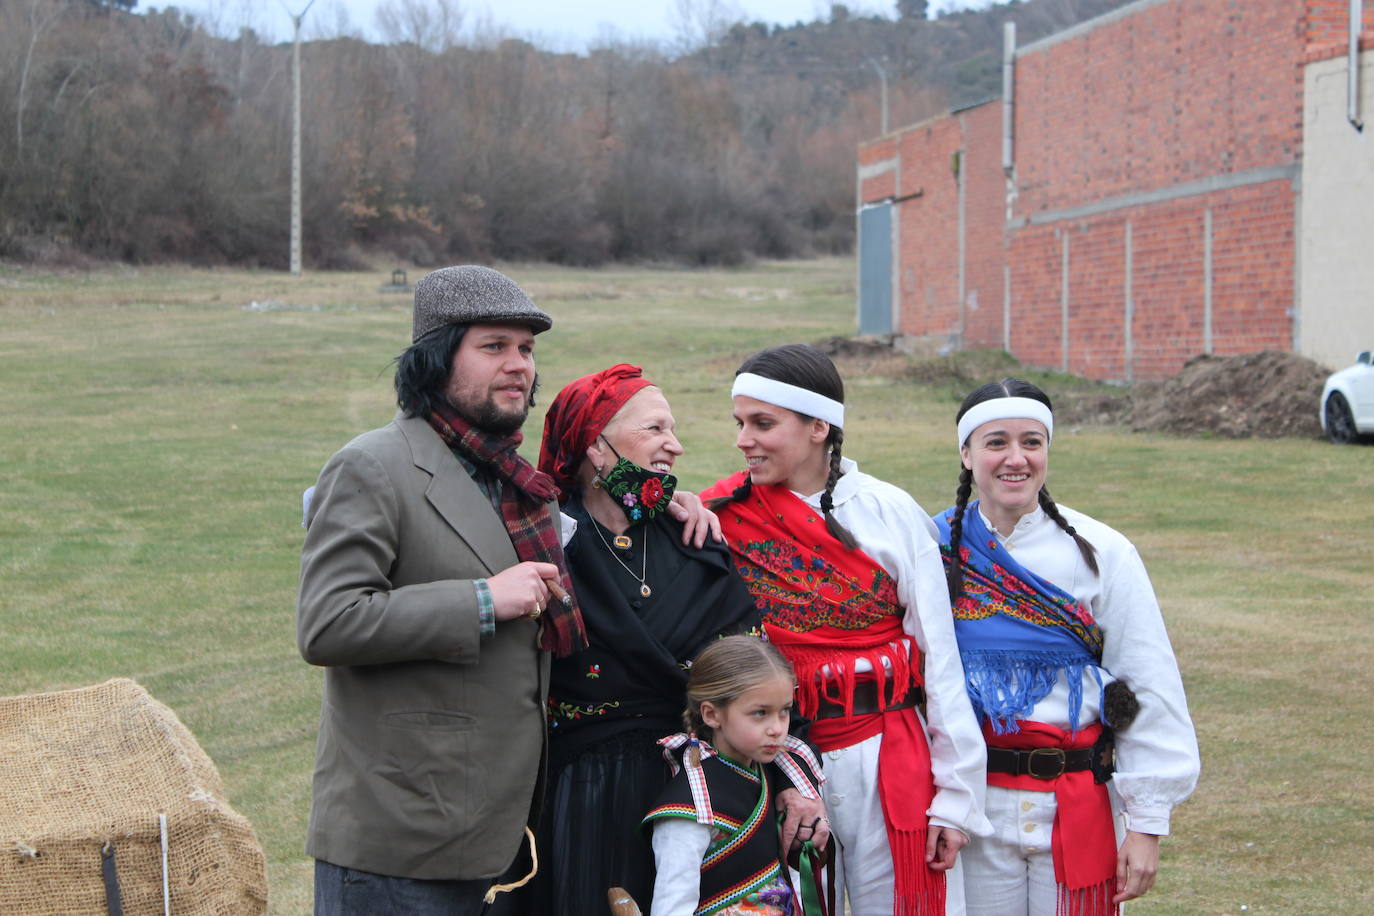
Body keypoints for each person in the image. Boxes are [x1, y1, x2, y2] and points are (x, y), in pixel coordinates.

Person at [297, 265, 587, 915]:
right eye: (494, 347)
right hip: (400, 842)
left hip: (504, 834)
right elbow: (327, 623)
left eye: (527, 349)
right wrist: (482, 601)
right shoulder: (371, 466)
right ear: (435, 359)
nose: (519, 365)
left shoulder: (519, 482)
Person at [520, 364, 825, 915]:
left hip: (707, 789)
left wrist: (789, 778)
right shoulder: (543, 542)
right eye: (655, 429)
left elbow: (755, 667)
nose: (676, 446)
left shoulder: (692, 537)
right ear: (596, 446)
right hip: (591, 792)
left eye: (673, 429)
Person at [701, 344, 989, 916]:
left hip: (889, 753)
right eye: (740, 423)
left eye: (763, 423)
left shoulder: (890, 512)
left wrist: (956, 795)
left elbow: (940, 656)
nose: (743, 439)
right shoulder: (719, 516)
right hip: (779, 754)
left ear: (817, 427)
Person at [933, 378, 1200, 916]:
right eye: (996, 442)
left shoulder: (1103, 552)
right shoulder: (930, 548)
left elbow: (1146, 680)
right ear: (966, 453)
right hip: (974, 811)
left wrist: (1147, 823)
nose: (1016, 458)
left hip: (1079, 800)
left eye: (1032, 442)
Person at [643, 636, 826, 916]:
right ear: (712, 715)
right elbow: (672, 905)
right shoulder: (689, 805)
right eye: (760, 713)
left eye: (784, 712)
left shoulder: (768, 772)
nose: (777, 728)